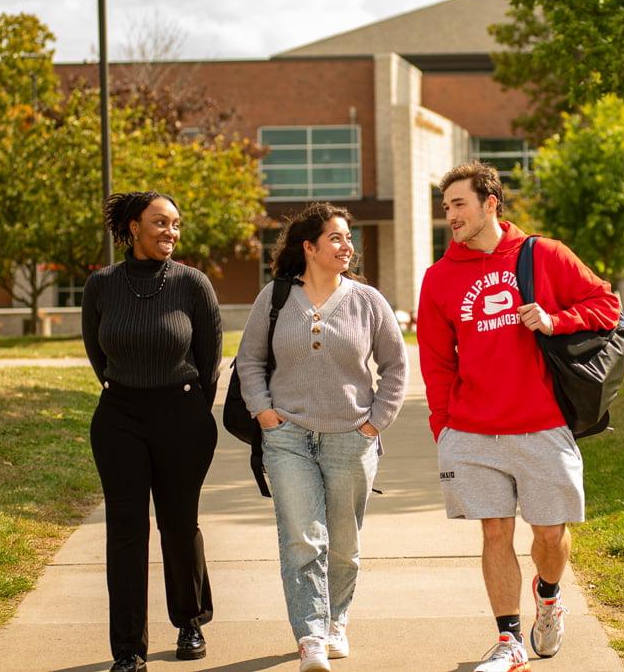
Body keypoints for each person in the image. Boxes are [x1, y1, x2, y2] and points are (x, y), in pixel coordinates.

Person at [417, 162, 622, 672]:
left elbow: (607, 305)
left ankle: (548, 596)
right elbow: (437, 361)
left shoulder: (542, 254)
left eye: (459, 204)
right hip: (473, 430)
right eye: (445, 209)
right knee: (494, 532)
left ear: (491, 203)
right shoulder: (440, 278)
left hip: (541, 424)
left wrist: (556, 320)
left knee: (550, 535)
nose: (451, 217)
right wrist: (443, 426)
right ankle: (509, 642)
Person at [236, 202, 408, 672]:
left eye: (348, 238)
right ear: (309, 247)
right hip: (288, 436)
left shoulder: (367, 301)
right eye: (336, 237)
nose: (347, 246)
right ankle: (311, 634)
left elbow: (395, 365)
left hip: (351, 438)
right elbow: (249, 360)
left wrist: (375, 422)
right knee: (302, 539)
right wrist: (265, 413)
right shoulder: (274, 297)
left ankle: (338, 622)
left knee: (344, 543)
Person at [82, 191, 222, 672]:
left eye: (176, 224)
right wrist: (130, 391)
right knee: (125, 531)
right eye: (160, 223)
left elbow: (210, 358)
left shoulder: (193, 284)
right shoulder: (101, 285)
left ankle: (190, 621)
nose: (171, 232)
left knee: (179, 526)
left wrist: (188, 409)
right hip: (119, 416)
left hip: (182, 414)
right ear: (134, 227)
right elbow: (97, 356)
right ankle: (127, 650)